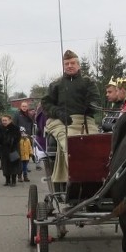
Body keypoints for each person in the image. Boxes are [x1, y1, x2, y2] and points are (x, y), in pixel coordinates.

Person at [41, 49, 99, 185]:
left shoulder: (88, 82)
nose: (69, 66)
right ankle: (76, 178)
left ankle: (96, 178)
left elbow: (95, 100)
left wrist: (90, 106)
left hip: (85, 120)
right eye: (66, 64)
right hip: (61, 122)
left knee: (96, 144)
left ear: (78, 65)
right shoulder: (56, 84)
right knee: (70, 143)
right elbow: (46, 103)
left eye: (72, 63)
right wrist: (58, 113)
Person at [0, 113, 19, 186]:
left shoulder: (15, 128)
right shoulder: (0, 128)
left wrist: (10, 142)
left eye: (5, 120)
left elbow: (17, 138)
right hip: (3, 149)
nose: (4, 122)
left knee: (13, 165)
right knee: (5, 165)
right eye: (3, 120)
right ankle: (7, 180)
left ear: (10, 120)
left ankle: (13, 181)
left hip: (13, 149)